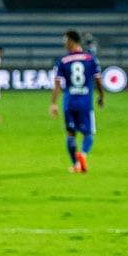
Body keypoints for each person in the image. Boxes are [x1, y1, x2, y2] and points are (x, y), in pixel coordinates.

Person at [50, 30, 104, 173]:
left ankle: (76, 164)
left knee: (70, 134)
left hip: (69, 102)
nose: (64, 44)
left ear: (72, 41)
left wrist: (54, 103)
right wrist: (101, 96)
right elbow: (97, 78)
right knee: (89, 134)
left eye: (65, 41)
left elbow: (57, 84)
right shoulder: (90, 59)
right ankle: (83, 155)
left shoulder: (63, 61)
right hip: (85, 102)